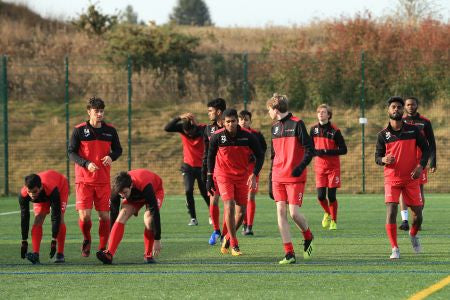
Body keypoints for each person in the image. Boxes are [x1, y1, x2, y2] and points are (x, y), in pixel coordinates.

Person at [375, 96, 429, 259]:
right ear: (388, 110)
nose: (396, 109)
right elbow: (377, 157)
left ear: (402, 110)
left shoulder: (413, 130)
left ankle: (413, 235)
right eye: (393, 107)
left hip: (411, 178)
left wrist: (420, 166)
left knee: (418, 216)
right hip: (391, 179)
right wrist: (383, 159)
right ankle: (395, 248)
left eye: (399, 107)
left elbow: (426, 150)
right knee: (391, 210)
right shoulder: (382, 135)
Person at [68, 97, 122, 257]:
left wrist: (112, 156)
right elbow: (71, 152)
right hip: (84, 181)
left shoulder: (110, 130)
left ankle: (102, 247)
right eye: (96, 111)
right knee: (85, 217)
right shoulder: (79, 130)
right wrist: (86, 163)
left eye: (101, 111)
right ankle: (87, 239)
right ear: (89, 111)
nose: (99, 114)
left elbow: (118, 149)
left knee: (105, 216)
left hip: (103, 181)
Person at [207, 109, 264, 256]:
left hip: (242, 177)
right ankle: (234, 244)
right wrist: (209, 178)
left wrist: (254, 173)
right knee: (229, 205)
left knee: (241, 213)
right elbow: (210, 157)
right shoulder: (217, 137)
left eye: (233, 121)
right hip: (223, 176)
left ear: (237, 121)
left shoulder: (248, 136)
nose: (230, 124)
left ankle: (227, 237)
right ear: (223, 123)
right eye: (227, 122)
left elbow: (260, 155)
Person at [267, 93, 315, 265]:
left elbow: (310, 150)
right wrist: (269, 177)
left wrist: (300, 167)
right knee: (280, 212)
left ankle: (308, 235)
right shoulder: (274, 128)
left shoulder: (297, 124)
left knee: (294, 213)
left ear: (275, 108)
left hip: (295, 177)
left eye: (269, 110)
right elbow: (273, 156)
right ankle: (289, 253)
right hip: (278, 177)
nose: (269, 113)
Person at [96, 169, 163, 264]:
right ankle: (109, 254)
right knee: (122, 214)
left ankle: (148, 255)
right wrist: (111, 237)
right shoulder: (116, 190)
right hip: (134, 196)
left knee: (149, 219)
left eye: (125, 192)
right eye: (121, 194)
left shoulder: (145, 185)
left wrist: (157, 239)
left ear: (131, 185)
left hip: (155, 191)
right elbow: (114, 213)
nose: (123, 197)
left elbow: (155, 212)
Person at [164, 113, 209, 226]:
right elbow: (167, 128)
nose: (188, 134)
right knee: (188, 190)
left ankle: (212, 213)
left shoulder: (202, 130)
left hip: (201, 166)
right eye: (186, 131)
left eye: (191, 131)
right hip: (188, 166)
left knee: (205, 192)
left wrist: (196, 124)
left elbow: (208, 129)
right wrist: (179, 117)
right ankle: (193, 218)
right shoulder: (182, 129)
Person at [399, 96, 437, 231]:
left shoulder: (425, 122)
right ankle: (404, 220)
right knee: (403, 190)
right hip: (403, 162)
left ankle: (418, 219)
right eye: (408, 105)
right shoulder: (400, 121)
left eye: (412, 104)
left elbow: (431, 143)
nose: (410, 107)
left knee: (419, 191)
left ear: (417, 105)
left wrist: (433, 161)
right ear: (405, 107)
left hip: (420, 162)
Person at [310, 104, 347, 230]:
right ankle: (328, 213)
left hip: (333, 168)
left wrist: (327, 152)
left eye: (324, 112)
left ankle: (334, 221)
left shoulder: (335, 131)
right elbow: (310, 148)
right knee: (320, 196)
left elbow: (344, 150)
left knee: (331, 196)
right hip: (320, 168)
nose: (321, 113)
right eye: (319, 112)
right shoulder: (313, 130)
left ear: (329, 115)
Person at [19, 170, 68, 264]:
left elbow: (55, 216)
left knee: (60, 218)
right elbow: (24, 217)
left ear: (40, 187)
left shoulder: (52, 191)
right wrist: (24, 241)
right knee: (38, 220)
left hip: (60, 186)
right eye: (29, 192)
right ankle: (36, 254)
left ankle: (60, 254)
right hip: (43, 195)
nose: (32, 195)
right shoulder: (23, 194)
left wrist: (54, 240)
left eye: (34, 191)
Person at [238, 110, 267, 236]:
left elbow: (263, 149)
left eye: (246, 119)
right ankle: (243, 223)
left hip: (252, 170)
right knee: (240, 199)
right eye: (241, 119)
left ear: (250, 121)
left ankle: (249, 226)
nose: (244, 122)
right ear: (238, 121)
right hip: (238, 170)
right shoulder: (233, 134)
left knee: (250, 196)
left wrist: (255, 157)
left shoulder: (257, 135)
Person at [202, 98, 227, 245]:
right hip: (214, 172)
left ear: (219, 112)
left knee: (228, 204)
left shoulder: (230, 126)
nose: (209, 114)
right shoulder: (208, 129)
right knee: (213, 200)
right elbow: (206, 153)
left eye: (210, 111)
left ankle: (225, 233)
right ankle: (216, 230)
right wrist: (205, 173)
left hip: (228, 172)